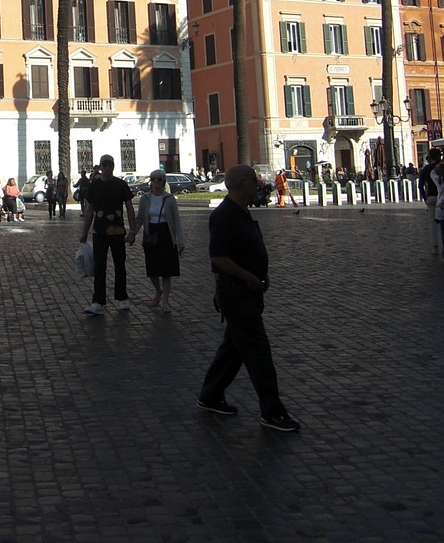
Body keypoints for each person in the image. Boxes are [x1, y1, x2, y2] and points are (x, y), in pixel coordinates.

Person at [197, 164, 301, 432]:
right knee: (258, 353)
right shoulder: (224, 216)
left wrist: (260, 274)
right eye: (253, 181)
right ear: (241, 184)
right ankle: (272, 411)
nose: (257, 184)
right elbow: (218, 257)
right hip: (236, 292)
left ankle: (210, 394)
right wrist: (248, 276)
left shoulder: (241, 211)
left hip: (247, 290)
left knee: (233, 349)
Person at [78, 155, 136, 316]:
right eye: (105, 165)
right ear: (101, 167)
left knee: (120, 265)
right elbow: (90, 210)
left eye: (110, 165)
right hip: (99, 232)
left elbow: (130, 208)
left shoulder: (121, 185)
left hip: (118, 231)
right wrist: (84, 232)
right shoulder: (94, 186)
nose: (108, 168)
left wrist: (132, 230)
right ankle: (98, 301)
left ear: (114, 166)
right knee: (99, 267)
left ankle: (122, 297)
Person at [131, 170, 185, 313]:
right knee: (152, 269)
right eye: (153, 179)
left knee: (166, 270)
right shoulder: (145, 199)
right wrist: (132, 234)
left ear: (163, 181)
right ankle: (158, 290)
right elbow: (140, 219)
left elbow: (176, 220)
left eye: (159, 179)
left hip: (166, 234)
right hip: (151, 234)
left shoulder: (169, 199)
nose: (155, 182)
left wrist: (180, 240)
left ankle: (165, 301)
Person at [418, 149, 442, 256]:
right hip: (442, 196)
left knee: (432, 223)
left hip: (431, 196)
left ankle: (435, 246)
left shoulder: (426, 169)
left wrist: (425, 198)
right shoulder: (443, 167)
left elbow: (421, 185)